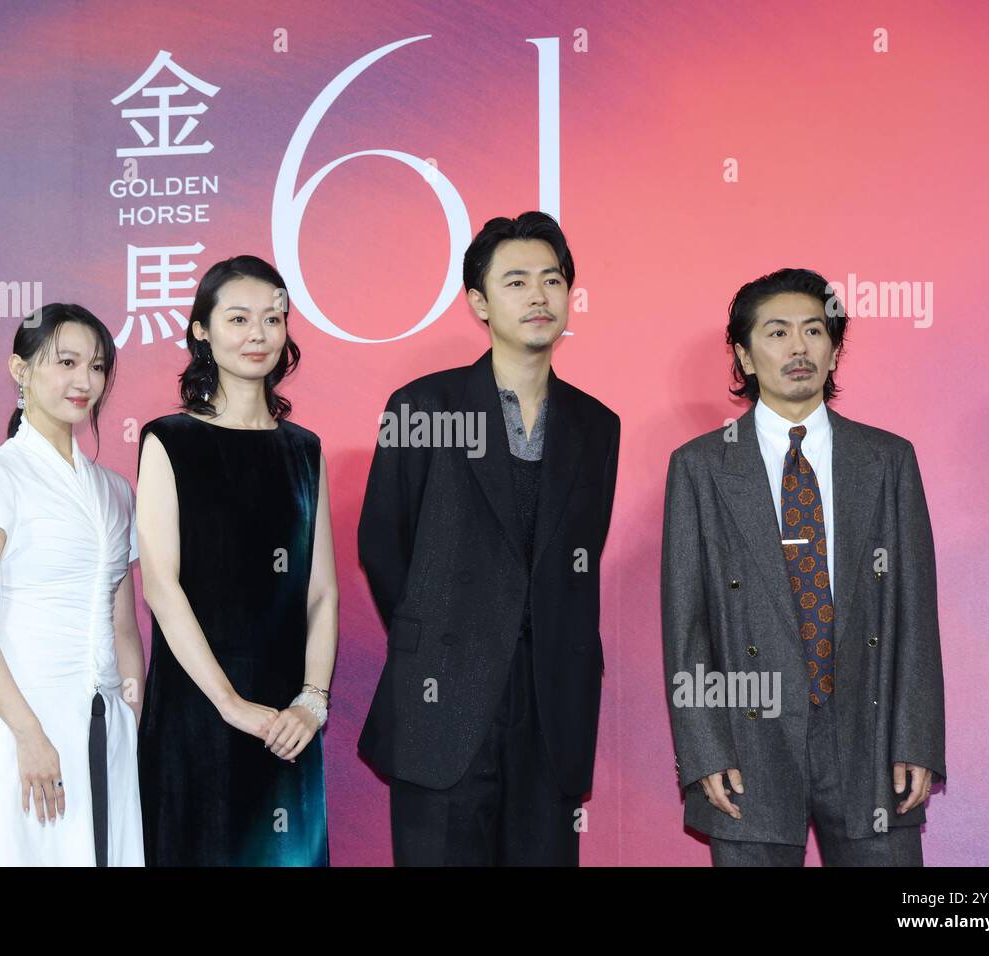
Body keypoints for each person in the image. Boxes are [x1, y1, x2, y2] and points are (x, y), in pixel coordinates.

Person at [357, 211, 620, 865]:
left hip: (551, 709)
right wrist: (436, 630)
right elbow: (382, 542)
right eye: (516, 282)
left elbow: (578, 561)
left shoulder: (597, 426)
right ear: (479, 302)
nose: (538, 296)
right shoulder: (423, 407)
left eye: (552, 280)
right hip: (442, 702)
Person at [661, 267, 945, 866]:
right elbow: (686, 625)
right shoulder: (701, 466)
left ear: (835, 348)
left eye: (815, 331)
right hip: (748, 737)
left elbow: (916, 610)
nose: (798, 348)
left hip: (870, 742)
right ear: (743, 353)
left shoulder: (888, 460)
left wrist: (916, 736)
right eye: (777, 332)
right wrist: (705, 749)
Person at [0, 303, 145, 866]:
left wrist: (129, 715)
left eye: (96, 366)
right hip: (20, 715)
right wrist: (28, 733)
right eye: (65, 362)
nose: (84, 381)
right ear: (20, 371)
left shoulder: (116, 492)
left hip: (104, 724)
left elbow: (123, 625)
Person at [135, 255, 337, 866]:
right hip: (198, 713)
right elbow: (161, 588)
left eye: (272, 320)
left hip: (287, 725)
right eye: (239, 319)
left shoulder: (304, 451)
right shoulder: (169, 441)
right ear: (201, 329)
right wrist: (230, 705)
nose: (258, 335)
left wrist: (312, 701)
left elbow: (322, 593)